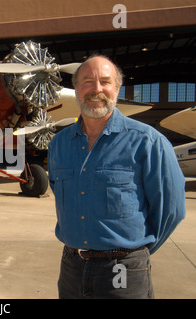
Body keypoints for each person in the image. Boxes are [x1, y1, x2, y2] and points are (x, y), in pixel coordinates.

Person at [47, 55, 186, 299]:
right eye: (87, 81)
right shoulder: (59, 144)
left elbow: (172, 210)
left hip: (123, 270)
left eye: (105, 82)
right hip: (71, 267)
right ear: (77, 89)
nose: (96, 89)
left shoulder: (148, 142)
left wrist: (134, 253)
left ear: (117, 89)